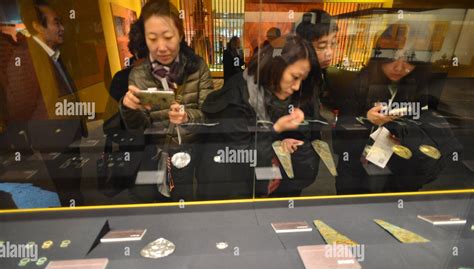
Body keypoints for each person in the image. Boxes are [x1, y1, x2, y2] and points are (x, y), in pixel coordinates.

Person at [334, 23, 462, 194]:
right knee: (353, 206)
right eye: (392, 57)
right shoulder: (362, 83)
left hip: (402, 167)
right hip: (359, 167)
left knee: (392, 206)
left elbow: (434, 126)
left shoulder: (422, 86)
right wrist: (366, 119)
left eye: (410, 60)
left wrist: (407, 129)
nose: (399, 67)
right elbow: (340, 133)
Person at [197, 34, 321, 200]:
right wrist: (276, 130)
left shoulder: (277, 96)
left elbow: (304, 166)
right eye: (294, 77)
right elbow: (240, 158)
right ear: (276, 66)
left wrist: (287, 137)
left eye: (302, 80)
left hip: (255, 190)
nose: (297, 86)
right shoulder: (238, 97)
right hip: (225, 190)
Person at [121, 0, 213, 202]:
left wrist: (187, 117)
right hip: (159, 154)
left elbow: (210, 116)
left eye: (168, 37)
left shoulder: (198, 67)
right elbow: (138, 130)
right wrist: (130, 109)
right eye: (152, 38)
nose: (161, 47)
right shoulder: (138, 75)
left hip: (196, 153)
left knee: (194, 207)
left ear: (180, 34)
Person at [2, 0, 86, 206]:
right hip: (52, 140)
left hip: (66, 135)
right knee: (66, 193)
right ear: (38, 26)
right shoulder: (27, 57)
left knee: (75, 189)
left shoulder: (51, 55)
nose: (62, 28)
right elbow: (20, 106)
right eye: (56, 23)